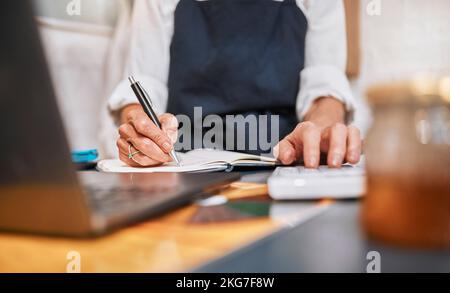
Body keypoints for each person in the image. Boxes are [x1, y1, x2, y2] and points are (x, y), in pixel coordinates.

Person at [108, 0, 362, 169]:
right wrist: (140, 128)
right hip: (184, 166)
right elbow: (144, 82)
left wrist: (320, 129)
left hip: (281, 160)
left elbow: (324, 84)